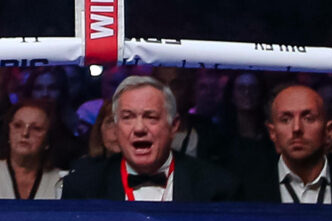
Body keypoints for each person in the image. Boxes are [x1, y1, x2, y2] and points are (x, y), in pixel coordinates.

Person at [63, 75, 238, 202]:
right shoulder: (83, 186)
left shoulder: (216, 187)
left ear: (174, 125)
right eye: (128, 117)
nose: (139, 128)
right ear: (116, 128)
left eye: (151, 117)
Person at [238, 84, 332, 204]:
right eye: (286, 119)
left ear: (327, 130)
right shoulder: (246, 191)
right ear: (273, 133)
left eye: (308, 118)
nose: (296, 128)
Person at [0, 99, 67, 200]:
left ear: (48, 140)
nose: (25, 133)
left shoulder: (60, 180)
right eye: (18, 126)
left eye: (36, 128)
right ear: (8, 132)